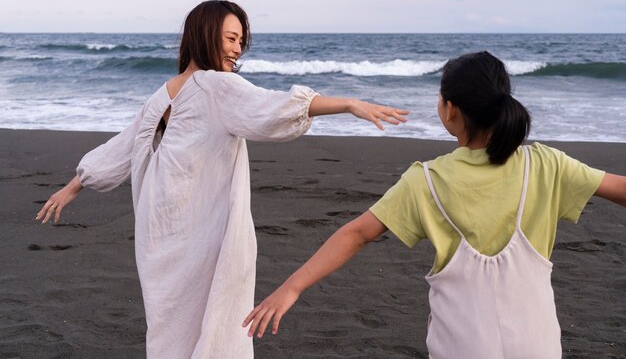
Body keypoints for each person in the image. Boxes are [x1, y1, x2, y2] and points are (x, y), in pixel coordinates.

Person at [35, 0, 409, 358]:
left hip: (159, 233)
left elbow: (120, 149)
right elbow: (271, 107)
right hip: (203, 230)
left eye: (241, 41)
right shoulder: (215, 86)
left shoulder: (163, 92)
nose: (238, 50)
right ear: (205, 34)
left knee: (170, 322)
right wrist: (348, 103)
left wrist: (74, 185)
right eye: (231, 38)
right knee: (219, 316)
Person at [243, 51, 626, 358]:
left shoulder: (426, 179)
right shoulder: (546, 164)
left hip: (461, 345)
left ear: (450, 109)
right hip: (538, 343)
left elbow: (357, 234)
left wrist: (292, 288)